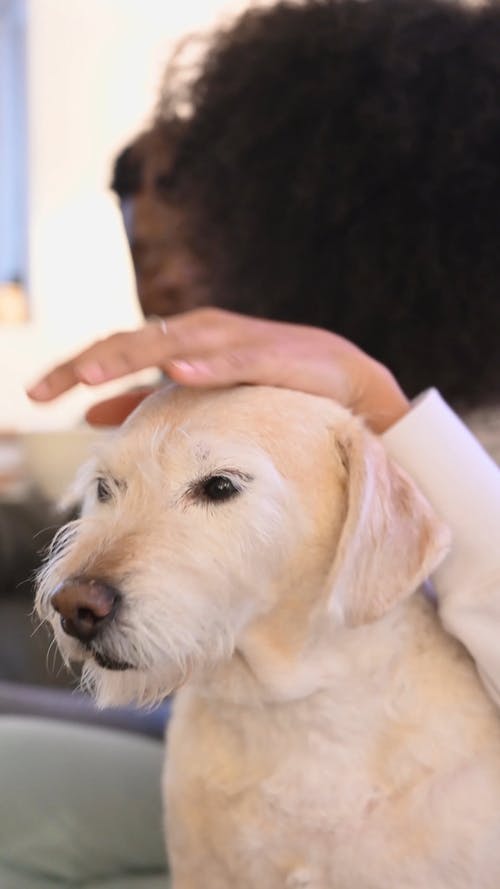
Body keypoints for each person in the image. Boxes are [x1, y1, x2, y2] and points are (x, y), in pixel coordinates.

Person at [3, 0, 500, 885]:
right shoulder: (258, 385)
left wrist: (379, 406)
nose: (157, 247)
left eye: (193, 206)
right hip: (218, 727)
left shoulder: (383, 409)